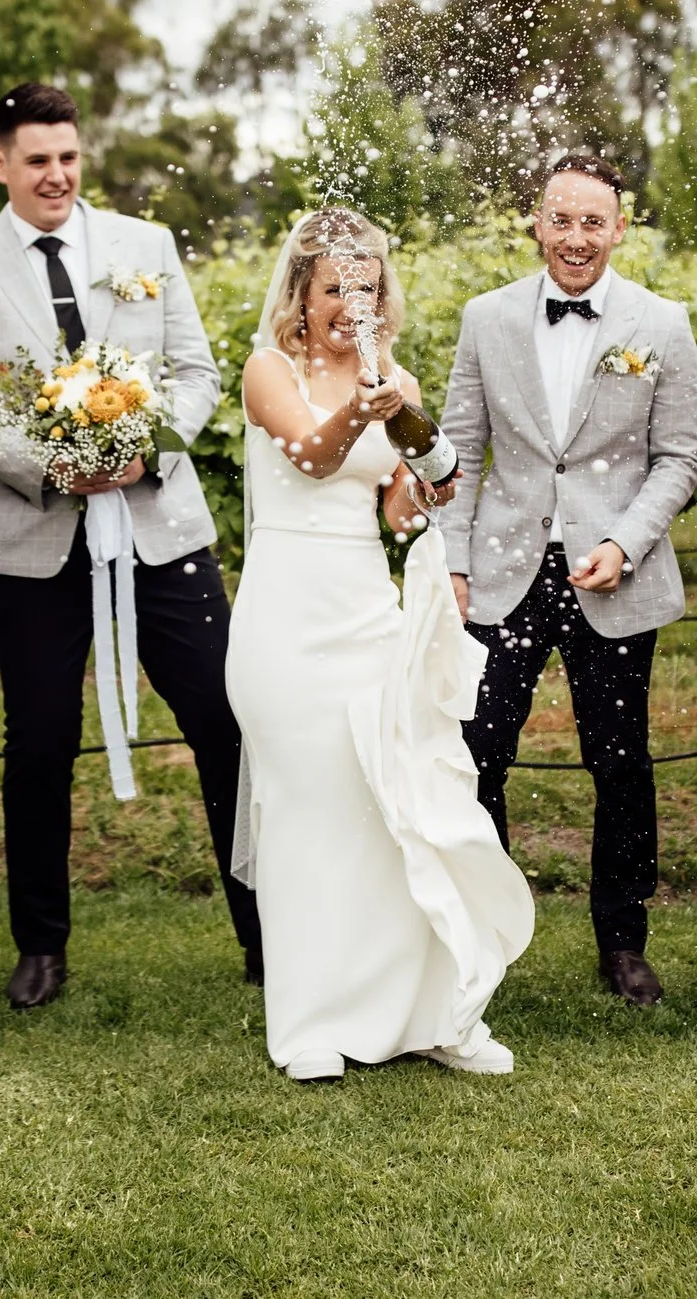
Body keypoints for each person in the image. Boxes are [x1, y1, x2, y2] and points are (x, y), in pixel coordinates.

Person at [0, 82, 260, 1009]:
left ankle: (266, 928)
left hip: (160, 525)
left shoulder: (144, 246)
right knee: (37, 739)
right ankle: (40, 945)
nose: (56, 175)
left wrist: (145, 448)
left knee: (224, 720)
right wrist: (53, 466)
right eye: (37, 160)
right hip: (36, 538)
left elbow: (196, 371)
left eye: (68, 157)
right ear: (0, 163)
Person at [228, 209, 534, 1083]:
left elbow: (398, 504)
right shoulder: (269, 368)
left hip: (365, 607)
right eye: (335, 288)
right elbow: (312, 457)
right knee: (307, 816)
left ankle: (430, 1014)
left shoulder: (391, 376)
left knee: (392, 808)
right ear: (302, 293)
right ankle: (310, 1025)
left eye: (365, 288)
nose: (350, 305)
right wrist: (362, 411)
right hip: (286, 616)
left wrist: (427, 485)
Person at [435, 155, 697, 1007]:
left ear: (620, 227)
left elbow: (680, 457)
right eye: (562, 219)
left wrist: (624, 542)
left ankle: (623, 940)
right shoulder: (486, 318)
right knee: (478, 751)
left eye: (594, 222)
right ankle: (484, 929)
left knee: (619, 760)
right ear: (537, 223)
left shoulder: (663, 323)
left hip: (612, 575)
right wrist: (453, 562)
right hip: (503, 570)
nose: (577, 238)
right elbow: (457, 450)